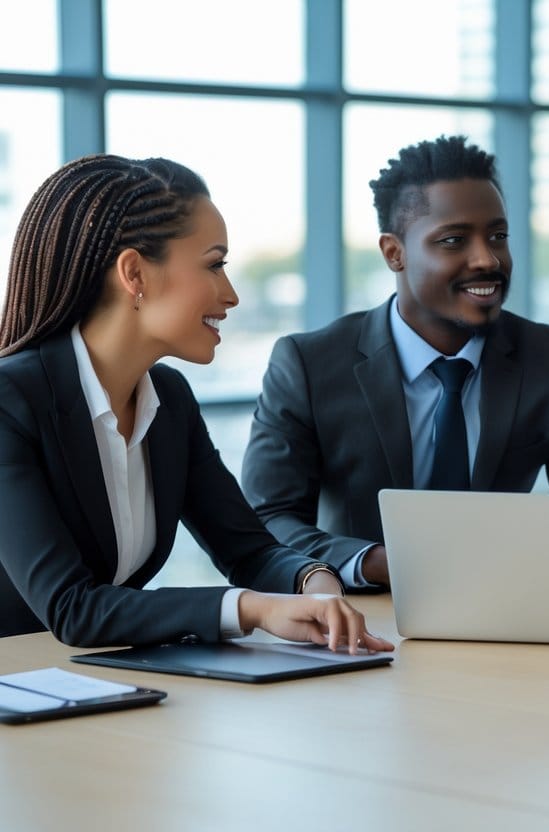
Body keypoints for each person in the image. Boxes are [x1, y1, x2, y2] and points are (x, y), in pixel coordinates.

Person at [0, 154, 393, 653]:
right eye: (215, 264)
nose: (230, 295)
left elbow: (248, 549)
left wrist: (313, 584)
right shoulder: (11, 401)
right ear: (135, 274)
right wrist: (252, 608)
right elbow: (72, 609)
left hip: (102, 687)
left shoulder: (170, 400)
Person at [241, 135, 549, 589]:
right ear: (394, 252)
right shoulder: (309, 365)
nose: (487, 259)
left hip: (506, 611)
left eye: (498, 236)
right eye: (454, 240)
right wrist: (377, 563)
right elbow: (266, 521)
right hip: (359, 617)